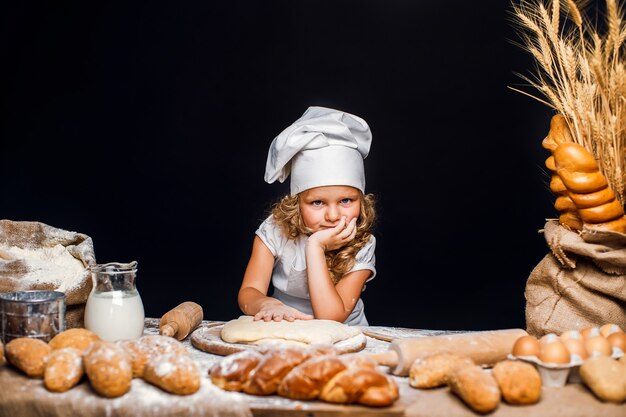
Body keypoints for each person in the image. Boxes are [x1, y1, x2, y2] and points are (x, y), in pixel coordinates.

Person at [238, 106, 377, 326]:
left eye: (346, 200)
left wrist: (315, 247)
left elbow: (330, 318)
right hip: (286, 329)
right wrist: (266, 304)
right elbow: (249, 291)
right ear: (297, 203)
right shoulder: (275, 230)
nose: (333, 215)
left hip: (346, 339)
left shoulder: (363, 243)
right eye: (317, 202)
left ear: (361, 201)